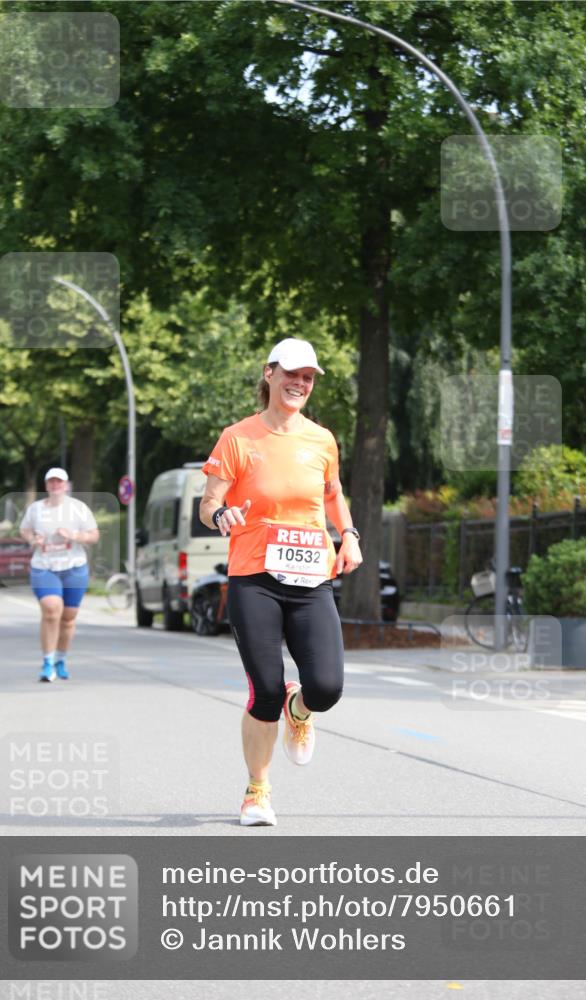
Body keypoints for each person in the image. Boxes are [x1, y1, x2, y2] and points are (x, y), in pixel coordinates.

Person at [200, 338, 362, 826]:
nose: (300, 383)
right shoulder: (238, 437)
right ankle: (257, 792)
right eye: (292, 373)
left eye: (308, 377)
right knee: (264, 690)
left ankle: (301, 708)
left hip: (312, 578)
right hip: (255, 577)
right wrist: (222, 514)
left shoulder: (322, 440)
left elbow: (332, 496)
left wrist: (349, 535)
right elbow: (208, 503)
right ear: (269, 374)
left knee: (328, 687)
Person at [19, 468, 99, 682]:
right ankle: (47, 662)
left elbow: (93, 535)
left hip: (74, 566)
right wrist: (32, 539)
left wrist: (73, 535)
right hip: (44, 565)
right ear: (46, 485)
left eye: (59, 482)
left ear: (66, 485)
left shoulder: (78, 508)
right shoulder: (35, 509)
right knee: (52, 609)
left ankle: (60, 659)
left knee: (68, 618)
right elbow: (24, 530)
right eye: (51, 482)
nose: (55, 485)